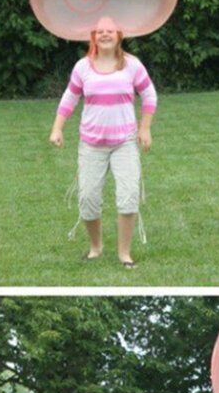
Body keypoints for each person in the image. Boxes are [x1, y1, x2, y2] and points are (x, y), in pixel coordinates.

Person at [49, 16, 157, 269]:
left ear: (120, 35)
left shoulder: (132, 65)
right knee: (88, 199)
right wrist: (57, 128)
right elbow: (69, 98)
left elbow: (149, 94)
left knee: (129, 195)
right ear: (93, 37)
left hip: (125, 142)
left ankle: (124, 254)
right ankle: (95, 247)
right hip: (91, 144)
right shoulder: (82, 67)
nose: (105, 34)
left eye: (110, 31)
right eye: (100, 31)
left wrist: (145, 128)